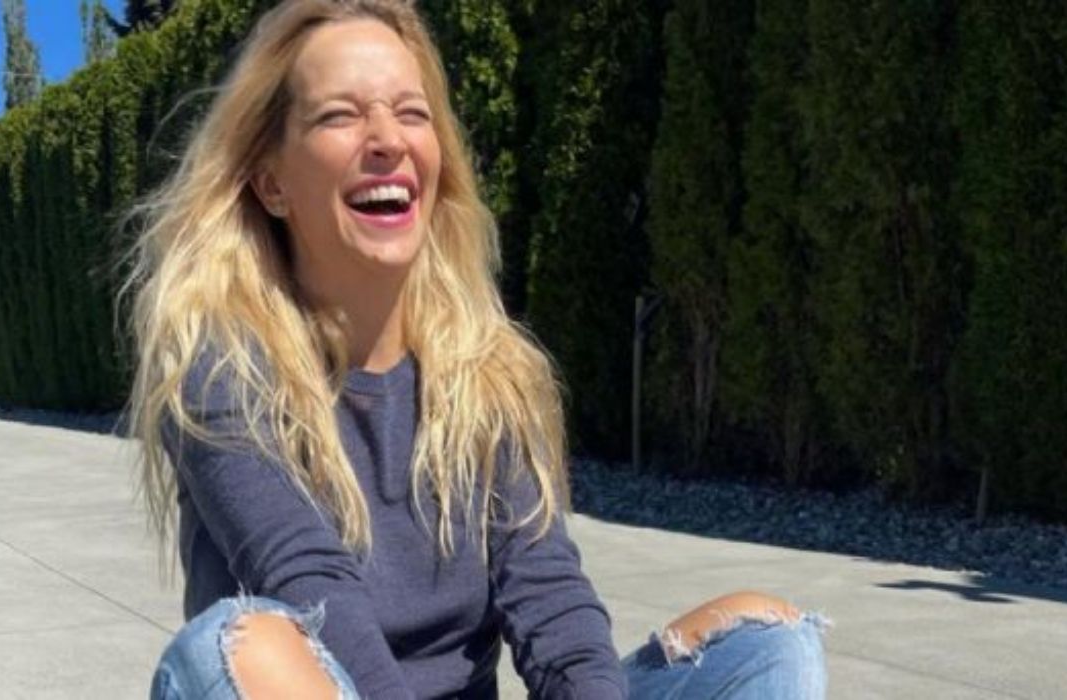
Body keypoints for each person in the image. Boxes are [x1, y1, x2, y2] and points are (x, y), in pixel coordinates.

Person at [124, 1, 829, 698]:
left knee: (768, 642)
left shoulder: (488, 370)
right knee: (238, 646)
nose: (387, 139)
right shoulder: (220, 364)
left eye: (412, 112)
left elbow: (550, 599)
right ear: (272, 183)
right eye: (340, 115)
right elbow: (309, 581)